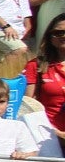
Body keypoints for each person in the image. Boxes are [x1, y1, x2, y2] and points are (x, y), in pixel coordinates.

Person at [25, 12, 65, 145]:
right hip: (47, 135)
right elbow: (28, 105)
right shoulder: (36, 65)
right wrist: (54, 132)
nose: (63, 36)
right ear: (50, 36)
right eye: (58, 32)